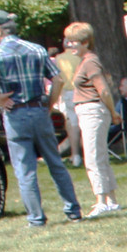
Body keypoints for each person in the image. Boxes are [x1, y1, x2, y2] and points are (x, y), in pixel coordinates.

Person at [0, 9, 81, 226]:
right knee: (55, 163)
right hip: (39, 109)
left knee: (25, 168)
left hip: (15, 113)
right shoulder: (37, 49)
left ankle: (36, 218)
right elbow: (57, 80)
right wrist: (48, 105)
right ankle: (73, 211)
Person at [63, 22, 119, 217]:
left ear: (86, 42)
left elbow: (103, 89)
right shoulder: (85, 60)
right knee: (101, 157)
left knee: (93, 158)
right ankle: (111, 201)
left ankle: (101, 200)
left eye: (73, 42)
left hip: (93, 111)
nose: (69, 45)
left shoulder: (90, 62)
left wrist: (113, 112)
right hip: (90, 111)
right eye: (68, 41)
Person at [53, 36, 82, 166]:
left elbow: (59, 79)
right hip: (84, 92)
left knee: (72, 124)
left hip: (69, 92)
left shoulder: (60, 59)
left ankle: (75, 155)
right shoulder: (81, 56)